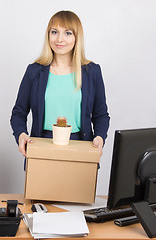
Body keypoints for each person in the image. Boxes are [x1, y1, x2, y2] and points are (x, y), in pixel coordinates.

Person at [10, 10, 110, 157]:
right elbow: (18, 113)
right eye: (54, 32)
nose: (59, 39)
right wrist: (21, 134)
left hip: (81, 147)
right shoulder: (34, 71)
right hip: (41, 145)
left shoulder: (92, 72)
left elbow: (101, 114)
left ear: (77, 37)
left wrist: (100, 136)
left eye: (68, 33)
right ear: (48, 35)